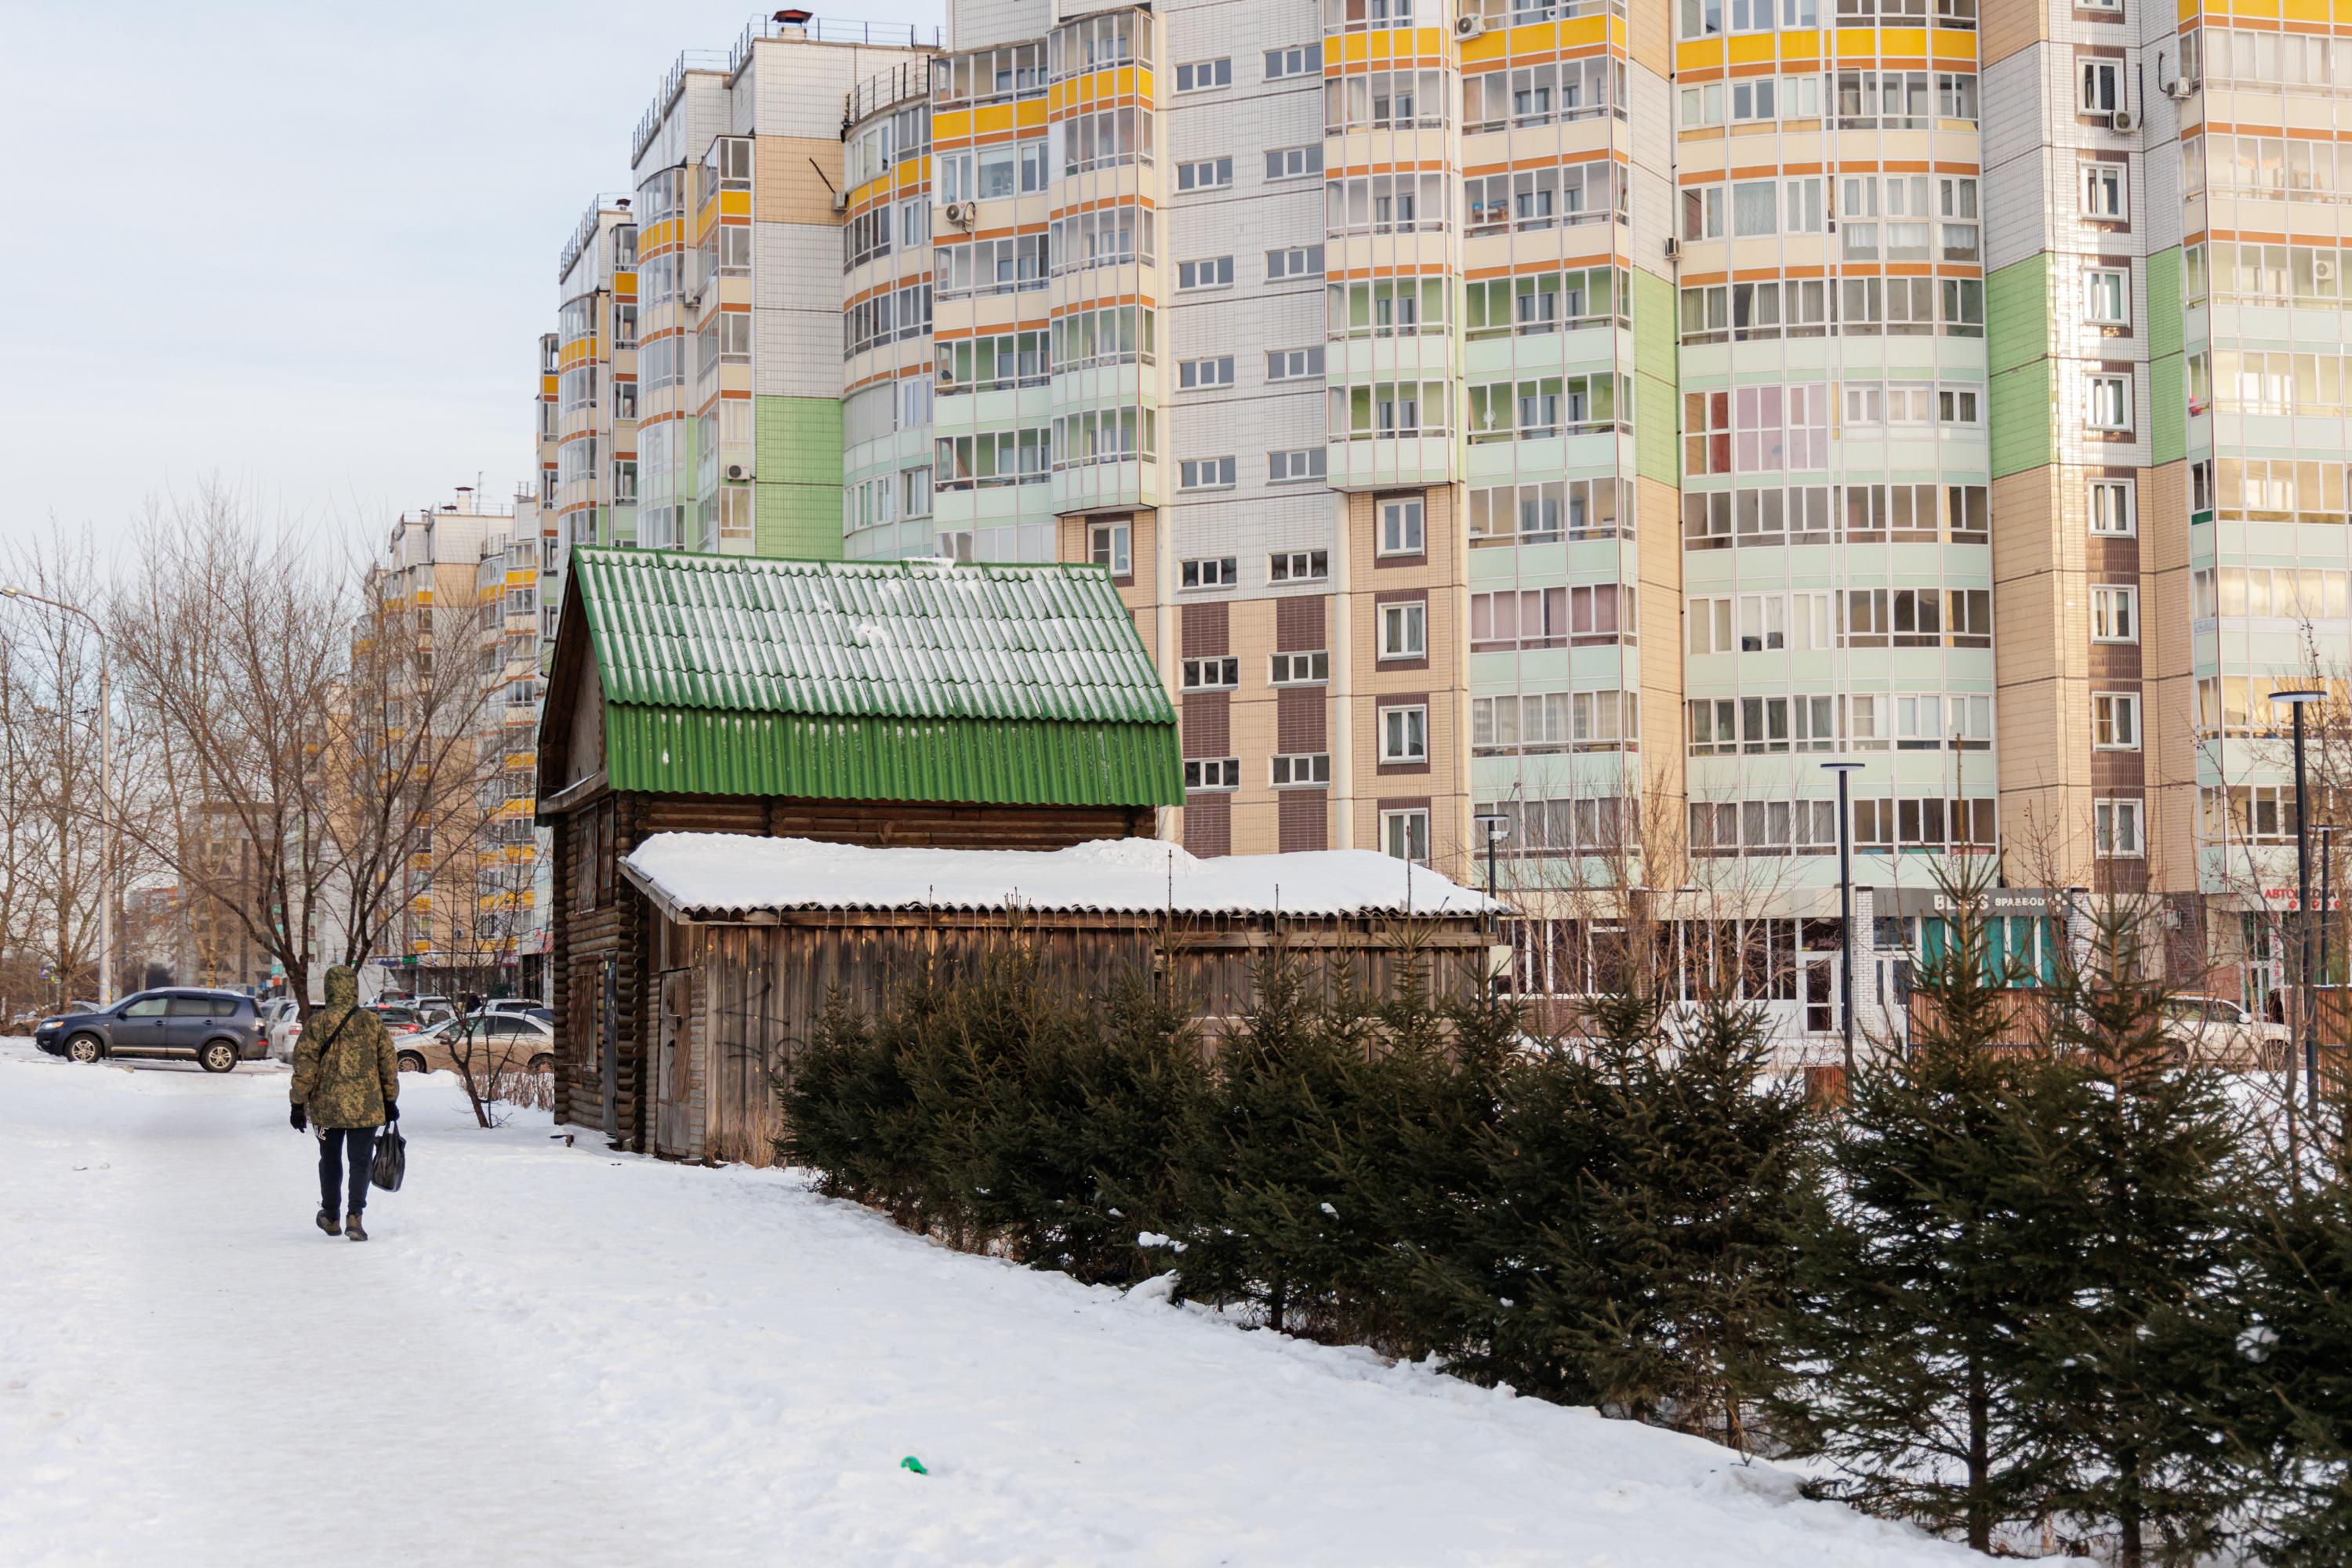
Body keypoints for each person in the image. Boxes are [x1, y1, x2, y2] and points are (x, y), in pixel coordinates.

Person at [290, 965, 399, 1242]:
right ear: (353, 988)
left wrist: (297, 1103)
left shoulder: (318, 1023)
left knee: (329, 1160)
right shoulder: (371, 1022)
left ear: (329, 988)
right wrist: (390, 1100)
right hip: (366, 1106)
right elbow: (388, 1063)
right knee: (360, 1161)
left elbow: (305, 1066)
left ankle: (330, 1216)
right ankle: (355, 1216)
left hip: (327, 1108)